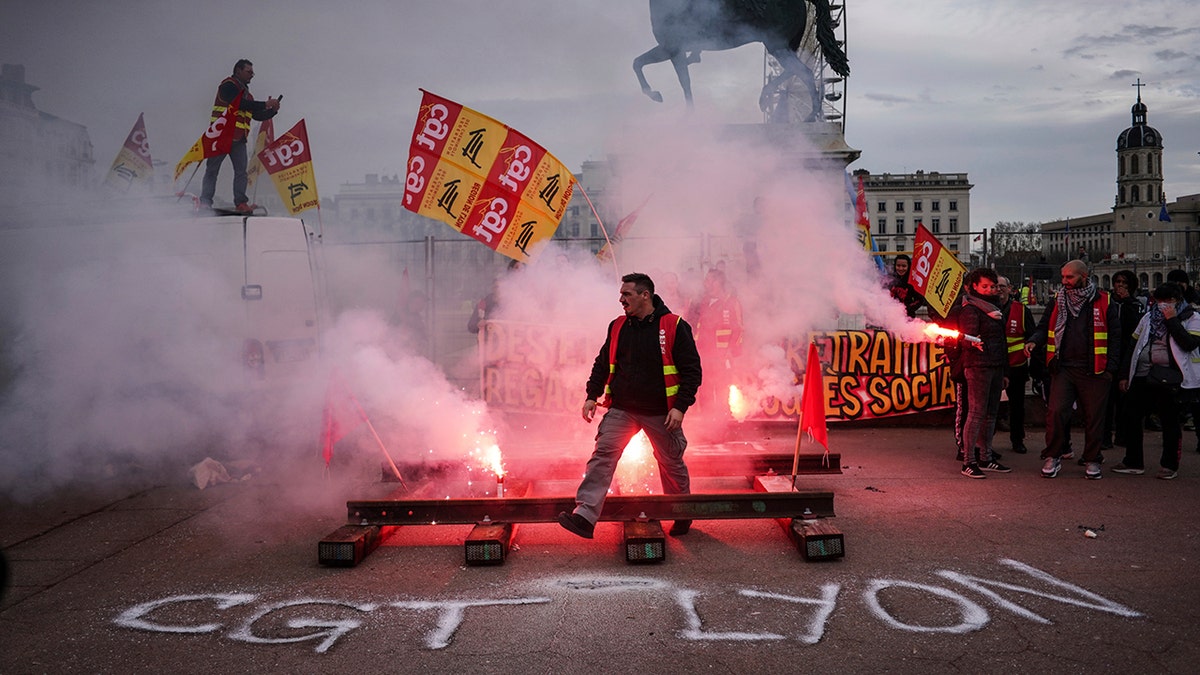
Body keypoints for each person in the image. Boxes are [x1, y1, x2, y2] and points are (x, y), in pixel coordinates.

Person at [558, 273, 702, 539]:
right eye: (621, 294)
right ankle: (585, 516)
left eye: (627, 294)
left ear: (645, 295)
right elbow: (602, 363)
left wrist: (680, 407)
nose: (621, 299)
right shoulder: (618, 326)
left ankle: (681, 513)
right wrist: (592, 394)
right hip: (622, 409)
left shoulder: (674, 325)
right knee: (603, 455)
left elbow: (693, 372)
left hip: (662, 412)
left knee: (671, 463)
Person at [1025, 260, 1122, 480]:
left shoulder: (1105, 301)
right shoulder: (1058, 300)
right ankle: (1053, 456)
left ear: (1084, 276)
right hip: (1064, 368)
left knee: (1094, 418)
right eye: (1063, 276)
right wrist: (1034, 341)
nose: (1064, 281)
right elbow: (1044, 327)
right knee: (1056, 413)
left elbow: (1116, 338)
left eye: (1069, 277)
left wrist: (1110, 370)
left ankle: (1092, 460)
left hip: (1095, 371)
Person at [1112, 283, 1200, 480]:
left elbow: (1188, 343)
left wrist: (1172, 321)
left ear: (1177, 300)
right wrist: (1125, 375)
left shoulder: (1192, 318)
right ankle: (1133, 461)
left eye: (1167, 301)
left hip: (1170, 377)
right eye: (1159, 301)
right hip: (1143, 373)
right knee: (1131, 415)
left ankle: (1169, 465)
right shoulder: (1148, 317)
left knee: (1169, 420)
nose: (1162, 305)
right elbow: (1133, 346)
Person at [200, 59, 281, 212]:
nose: (252, 75)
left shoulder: (248, 96)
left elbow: (256, 114)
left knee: (241, 172)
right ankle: (205, 202)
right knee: (212, 170)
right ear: (238, 70)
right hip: (221, 137)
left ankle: (241, 203)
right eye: (249, 72)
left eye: (252, 72)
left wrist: (272, 111)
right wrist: (266, 104)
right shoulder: (228, 85)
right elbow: (239, 104)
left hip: (238, 139)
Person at [956, 268, 1011, 478]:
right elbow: (965, 338)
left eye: (993, 286)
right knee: (977, 413)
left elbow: (1001, 340)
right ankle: (969, 461)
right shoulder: (970, 309)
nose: (991, 290)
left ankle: (986, 457)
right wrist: (973, 344)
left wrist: (1004, 370)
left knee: (991, 414)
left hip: (995, 365)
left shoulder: (994, 308)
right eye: (985, 286)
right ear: (975, 287)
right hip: (978, 366)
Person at [687, 267, 743, 419]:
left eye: (709, 279)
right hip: (702, 354)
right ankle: (707, 423)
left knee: (721, 389)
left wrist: (730, 352)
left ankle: (723, 423)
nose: (706, 283)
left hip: (722, 357)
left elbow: (738, 329)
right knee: (704, 389)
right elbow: (689, 324)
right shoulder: (701, 301)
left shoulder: (731, 302)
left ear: (718, 282)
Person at [996, 276, 1035, 454]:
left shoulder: (1021, 310)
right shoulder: (986, 309)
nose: (999, 289)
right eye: (995, 286)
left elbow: (1032, 336)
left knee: (1017, 406)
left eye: (1002, 286)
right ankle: (987, 444)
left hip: (1016, 366)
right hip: (994, 366)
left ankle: (1017, 440)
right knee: (991, 408)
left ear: (1010, 288)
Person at [1103, 270, 1142, 449]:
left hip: (1127, 356)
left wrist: (1126, 302)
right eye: (1118, 282)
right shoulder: (1107, 302)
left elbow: (1136, 327)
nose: (1120, 286)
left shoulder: (1135, 304)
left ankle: (1122, 436)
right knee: (1105, 401)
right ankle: (1104, 437)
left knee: (1124, 400)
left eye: (1124, 283)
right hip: (1109, 356)